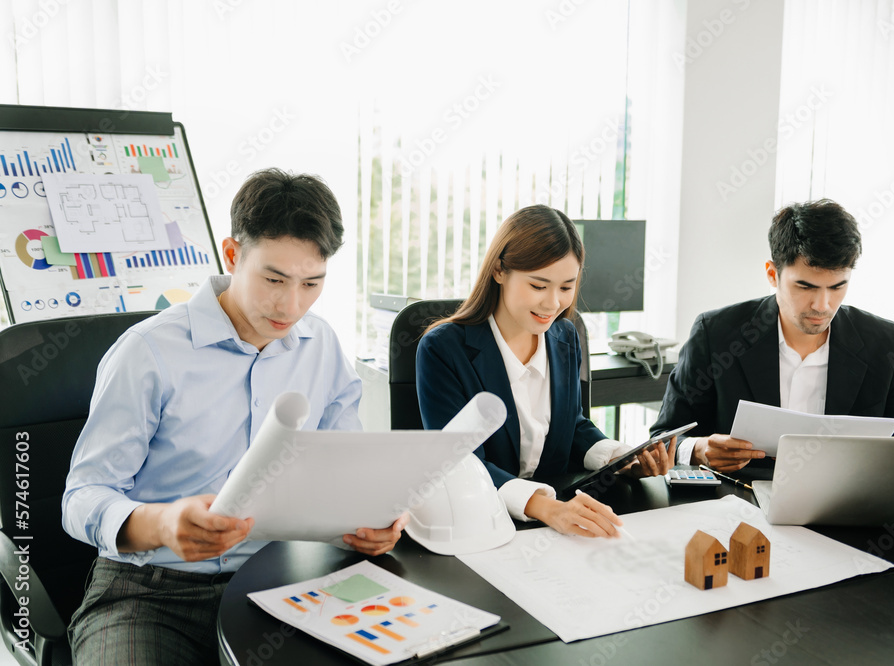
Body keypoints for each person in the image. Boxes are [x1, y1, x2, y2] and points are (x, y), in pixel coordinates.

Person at [62, 168, 406, 665]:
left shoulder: (322, 345)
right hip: (151, 592)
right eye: (274, 279)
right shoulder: (147, 352)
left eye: (312, 283)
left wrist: (373, 519)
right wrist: (161, 524)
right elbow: (81, 498)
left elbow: (342, 472)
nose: (292, 304)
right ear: (231, 254)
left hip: (283, 581)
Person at [416, 204, 674, 538]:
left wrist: (619, 457)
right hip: (476, 524)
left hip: (552, 526)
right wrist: (547, 508)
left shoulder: (565, 335)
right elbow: (459, 463)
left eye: (566, 287)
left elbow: (572, 424)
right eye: (539, 286)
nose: (553, 304)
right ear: (499, 271)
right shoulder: (443, 349)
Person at [651, 198, 894, 473]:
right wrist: (699, 450)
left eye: (837, 287)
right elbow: (662, 439)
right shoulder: (716, 334)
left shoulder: (887, 344)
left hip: (847, 506)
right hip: (739, 504)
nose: (822, 305)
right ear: (773, 274)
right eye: (805, 287)